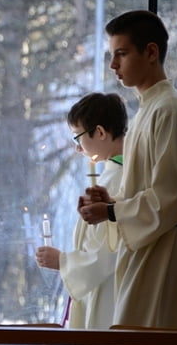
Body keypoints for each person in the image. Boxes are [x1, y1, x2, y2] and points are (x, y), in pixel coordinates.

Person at [79, 10, 177, 329]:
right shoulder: (147, 111)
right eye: (112, 56)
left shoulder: (171, 111)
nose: (113, 65)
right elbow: (150, 190)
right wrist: (111, 202)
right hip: (149, 247)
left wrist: (113, 211)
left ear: (151, 52)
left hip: (168, 252)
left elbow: (173, 197)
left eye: (122, 54)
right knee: (134, 343)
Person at [36, 93, 126, 329]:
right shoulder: (113, 173)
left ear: (100, 132)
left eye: (78, 137)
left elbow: (110, 249)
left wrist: (63, 261)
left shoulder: (119, 179)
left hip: (109, 291)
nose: (77, 148)